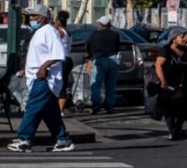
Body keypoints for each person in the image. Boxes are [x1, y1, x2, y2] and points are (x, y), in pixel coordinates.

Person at [12, 9, 74, 153]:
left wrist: (44, 67)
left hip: (45, 79)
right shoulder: (40, 32)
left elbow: (59, 54)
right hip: (38, 78)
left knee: (32, 109)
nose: (31, 18)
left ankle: (24, 139)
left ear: (43, 18)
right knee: (49, 112)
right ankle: (63, 139)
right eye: (30, 16)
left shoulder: (49, 31)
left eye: (34, 16)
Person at [151, 30, 187, 139]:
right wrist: (163, 81)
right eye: (181, 37)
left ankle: (178, 129)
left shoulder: (184, 50)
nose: (184, 39)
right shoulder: (165, 50)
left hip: (184, 85)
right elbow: (158, 65)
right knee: (169, 110)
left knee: (185, 109)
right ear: (174, 39)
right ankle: (172, 131)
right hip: (169, 85)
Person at [84, 16, 123, 116]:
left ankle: (96, 104)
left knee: (96, 84)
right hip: (113, 59)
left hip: (99, 59)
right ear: (109, 25)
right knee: (110, 85)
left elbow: (87, 45)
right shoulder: (115, 34)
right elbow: (117, 47)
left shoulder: (94, 34)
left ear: (100, 24)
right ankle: (109, 106)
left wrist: (89, 57)